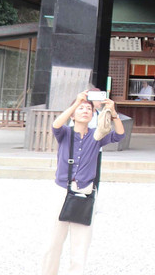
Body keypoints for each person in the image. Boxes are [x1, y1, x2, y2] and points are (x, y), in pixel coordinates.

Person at [43, 90, 124, 275]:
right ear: (73, 114)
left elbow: (119, 135)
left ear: (93, 114)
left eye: (88, 108)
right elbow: (56, 125)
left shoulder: (96, 136)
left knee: (80, 246)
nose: (85, 111)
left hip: (85, 191)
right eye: (81, 108)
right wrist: (75, 102)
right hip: (62, 190)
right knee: (53, 242)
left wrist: (113, 112)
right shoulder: (65, 133)